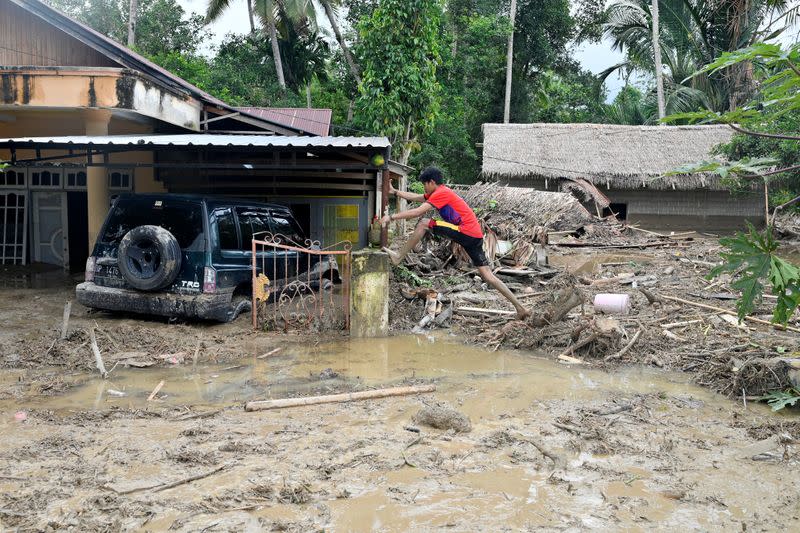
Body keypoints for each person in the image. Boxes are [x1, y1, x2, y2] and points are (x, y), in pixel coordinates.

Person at [381, 166, 531, 319]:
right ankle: (520, 308)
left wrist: (391, 217)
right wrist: (396, 192)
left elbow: (418, 211)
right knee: (487, 275)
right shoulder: (440, 192)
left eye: (425, 184)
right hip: (475, 236)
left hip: (464, 231)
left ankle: (398, 256)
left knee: (424, 223)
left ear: (432, 182)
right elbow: (417, 197)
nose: (425, 188)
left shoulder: (441, 193)